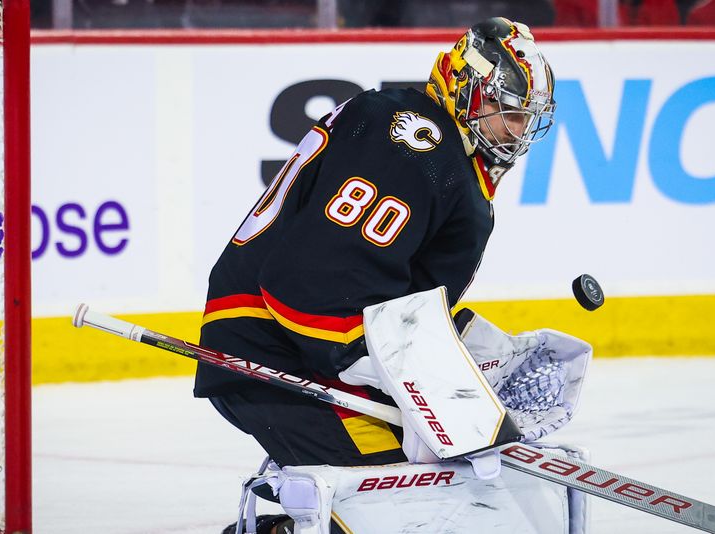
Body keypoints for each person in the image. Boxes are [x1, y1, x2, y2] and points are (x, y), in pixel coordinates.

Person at [194, 17, 557, 534]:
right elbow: (312, 281)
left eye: (527, 118)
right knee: (405, 508)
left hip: (296, 348)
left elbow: (390, 293)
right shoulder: (420, 146)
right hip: (275, 349)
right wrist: (384, 364)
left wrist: (473, 350)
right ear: (467, 91)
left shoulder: (430, 147)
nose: (518, 131)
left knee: (432, 493)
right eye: (509, 112)